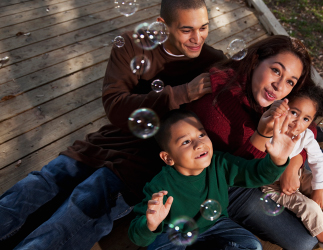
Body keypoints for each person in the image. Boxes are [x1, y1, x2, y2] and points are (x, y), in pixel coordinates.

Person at [0, 1, 225, 249]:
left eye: (204, 27)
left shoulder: (214, 63)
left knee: (69, 219)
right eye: (187, 30)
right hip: (106, 142)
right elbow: (115, 106)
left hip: (142, 165)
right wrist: (179, 94)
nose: (198, 38)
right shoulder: (132, 44)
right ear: (162, 26)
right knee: (35, 187)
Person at [185, 35, 323, 249]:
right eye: (276, 70)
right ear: (255, 61)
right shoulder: (216, 109)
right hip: (232, 181)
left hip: (277, 157)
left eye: (290, 81)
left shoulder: (283, 96)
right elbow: (226, 175)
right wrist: (261, 136)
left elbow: (309, 124)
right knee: (304, 242)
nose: (279, 86)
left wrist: (295, 161)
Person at [128, 109, 298, 249]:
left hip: (216, 225)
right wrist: (150, 224)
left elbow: (255, 174)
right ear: (168, 158)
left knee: (252, 245)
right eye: (186, 142)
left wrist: (277, 160)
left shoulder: (219, 163)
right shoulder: (159, 186)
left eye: (201, 135)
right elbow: (137, 237)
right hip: (172, 234)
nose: (199, 144)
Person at [260, 85, 323, 250]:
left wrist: (318, 188)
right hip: (271, 182)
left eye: (306, 119)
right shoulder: (272, 127)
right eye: (294, 113)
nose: (297, 123)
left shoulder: (306, 135)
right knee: (308, 207)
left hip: (298, 173)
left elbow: (317, 160)